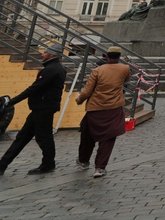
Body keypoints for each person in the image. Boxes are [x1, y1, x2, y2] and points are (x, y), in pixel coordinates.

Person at [0, 43, 67, 175]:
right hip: (42, 108)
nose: (42, 54)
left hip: (43, 109)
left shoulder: (51, 70)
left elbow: (34, 89)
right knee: (23, 137)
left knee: (43, 137)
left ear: (51, 54)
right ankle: (3, 164)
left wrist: (11, 101)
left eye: (45, 52)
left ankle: (48, 164)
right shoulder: (57, 68)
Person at [75, 45, 132, 178]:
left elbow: (88, 90)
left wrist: (79, 99)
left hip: (95, 107)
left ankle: (83, 161)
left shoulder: (97, 70)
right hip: (114, 107)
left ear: (106, 56)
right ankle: (100, 167)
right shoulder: (125, 69)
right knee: (108, 137)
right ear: (119, 56)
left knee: (87, 135)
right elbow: (126, 80)